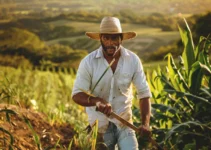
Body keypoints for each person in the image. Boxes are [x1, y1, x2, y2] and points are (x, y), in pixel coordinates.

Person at [72, 16, 152, 150]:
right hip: (100, 125)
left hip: (124, 122)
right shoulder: (89, 62)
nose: (110, 42)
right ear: (100, 38)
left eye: (114, 38)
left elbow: (144, 94)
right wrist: (97, 101)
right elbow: (76, 94)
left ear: (121, 38)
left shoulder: (133, 60)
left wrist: (145, 124)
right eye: (106, 38)